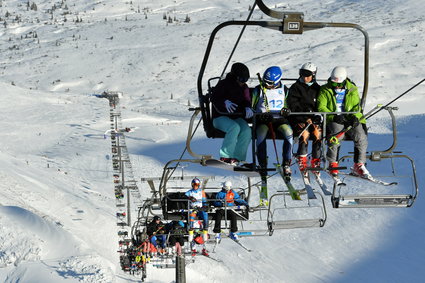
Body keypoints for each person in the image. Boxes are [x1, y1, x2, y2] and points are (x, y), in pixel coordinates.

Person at [317, 66, 370, 178]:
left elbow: (356, 106)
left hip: (348, 117)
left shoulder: (352, 89)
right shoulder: (325, 89)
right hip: (334, 118)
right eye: (334, 83)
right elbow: (321, 107)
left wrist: (355, 117)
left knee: (360, 136)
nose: (336, 86)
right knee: (336, 135)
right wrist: (333, 116)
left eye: (339, 84)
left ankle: (359, 164)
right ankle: (333, 163)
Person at [251, 66, 293, 205]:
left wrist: (287, 111)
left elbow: (289, 105)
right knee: (261, 135)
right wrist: (258, 116)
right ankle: (262, 163)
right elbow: (251, 106)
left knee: (289, 133)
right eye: (265, 82)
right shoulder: (258, 90)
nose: (267, 85)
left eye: (270, 83)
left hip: (279, 120)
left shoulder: (284, 90)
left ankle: (286, 163)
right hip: (264, 120)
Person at [211, 62, 254, 165]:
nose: (243, 82)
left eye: (246, 80)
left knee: (247, 130)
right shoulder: (223, 84)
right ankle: (225, 157)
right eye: (242, 79)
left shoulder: (244, 88)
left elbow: (247, 100)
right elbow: (214, 98)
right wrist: (224, 102)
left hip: (235, 117)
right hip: (219, 118)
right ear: (235, 77)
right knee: (234, 128)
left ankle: (237, 158)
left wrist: (248, 107)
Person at [287, 62, 323, 176]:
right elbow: (293, 105)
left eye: (307, 75)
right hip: (298, 118)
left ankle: (316, 160)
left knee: (318, 133)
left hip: (312, 119)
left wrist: (317, 116)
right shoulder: (295, 88)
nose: (305, 77)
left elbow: (319, 105)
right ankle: (302, 157)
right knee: (304, 133)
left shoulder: (317, 89)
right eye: (302, 74)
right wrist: (304, 117)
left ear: (313, 75)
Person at [185, 178, 209, 254]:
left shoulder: (201, 192)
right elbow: (183, 197)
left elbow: (204, 200)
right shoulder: (189, 192)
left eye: (197, 185)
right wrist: (189, 198)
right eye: (195, 185)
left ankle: (205, 231)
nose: (196, 186)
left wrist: (205, 206)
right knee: (191, 218)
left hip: (200, 208)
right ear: (192, 185)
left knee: (205, 216)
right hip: (193, 209)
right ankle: (191, 233)